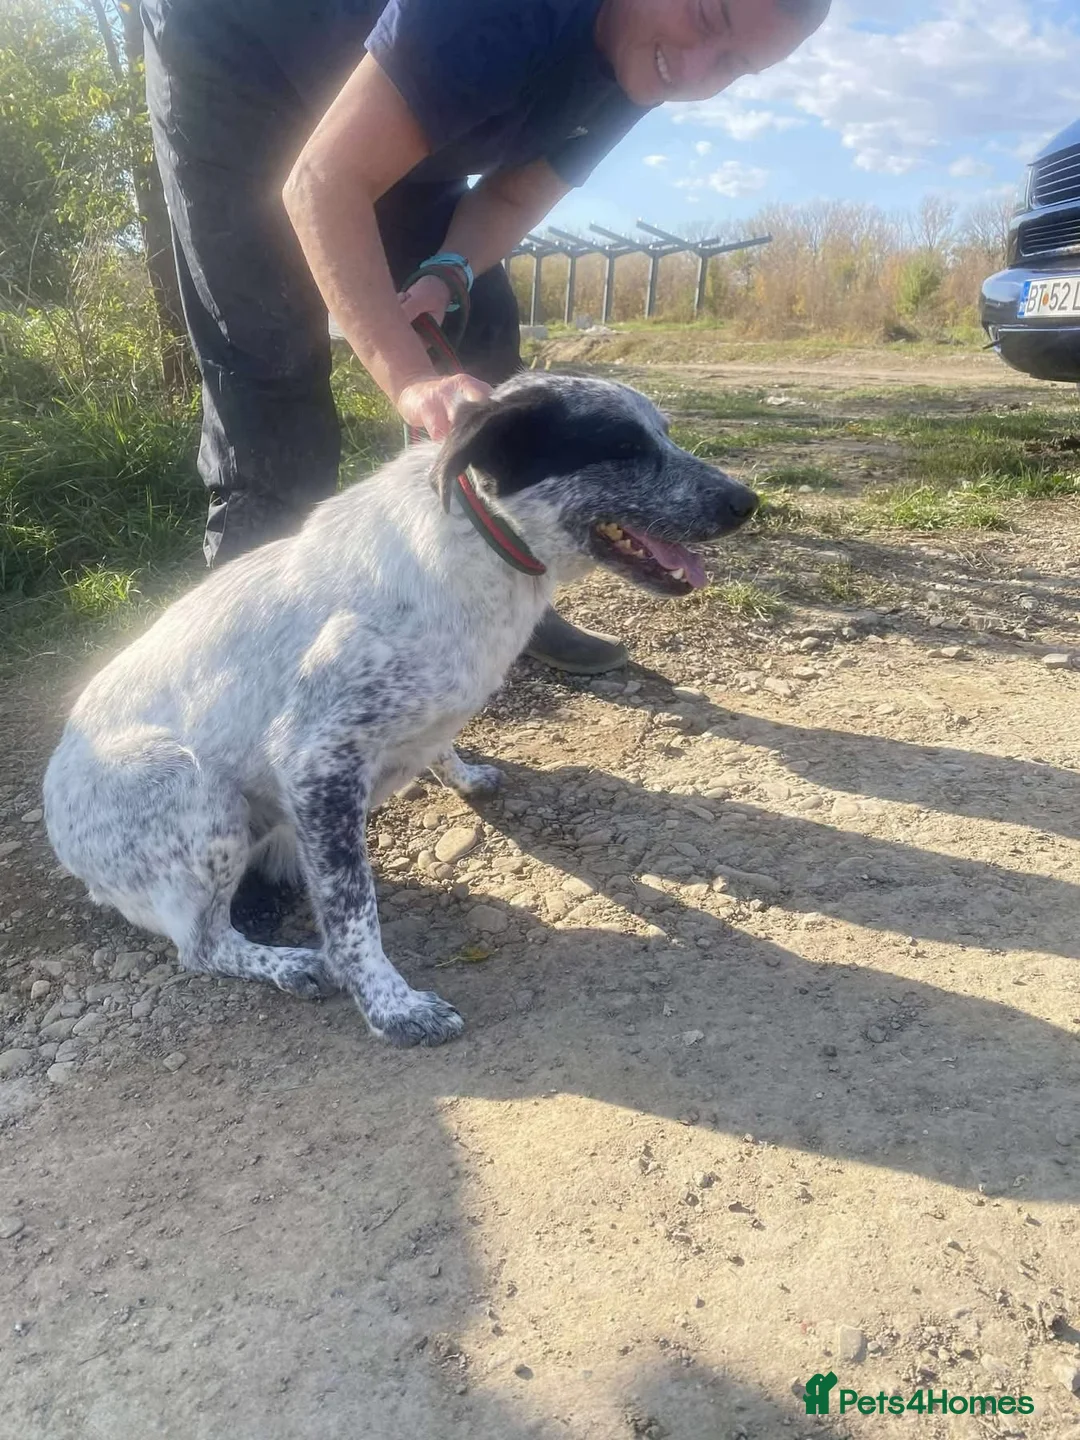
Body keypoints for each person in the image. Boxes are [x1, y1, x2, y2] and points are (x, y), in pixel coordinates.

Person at [142, 0, 829, 673]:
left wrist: (448, 272)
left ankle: (511, 578)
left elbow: (509, 195)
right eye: (708, 20)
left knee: (481, 328)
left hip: (397, 112)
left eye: (736, 65)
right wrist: (411, 380)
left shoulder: (647, 58)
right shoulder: (500, 12)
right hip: (242, 59)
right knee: (269, 358)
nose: (700, 69)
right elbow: (323, 181)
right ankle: (243, 653)